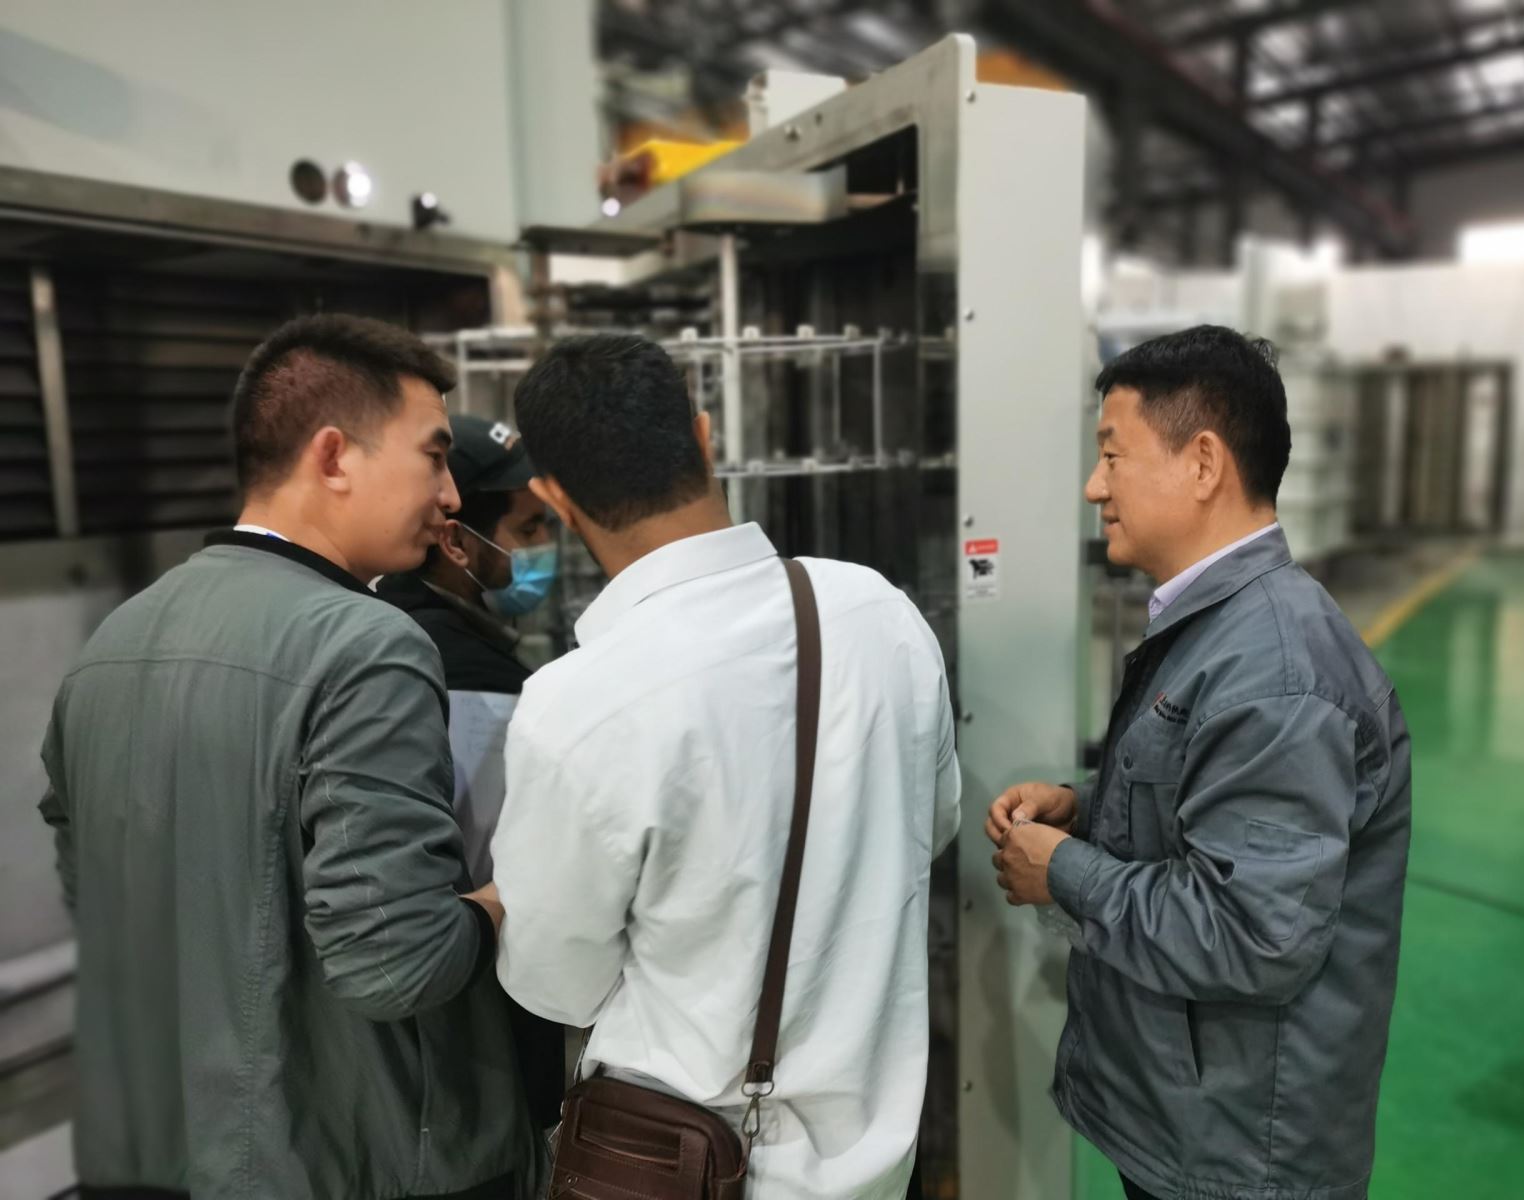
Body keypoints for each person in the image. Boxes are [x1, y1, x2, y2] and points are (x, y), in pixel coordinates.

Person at [38, 315, 535, 1199]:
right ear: (334, 456)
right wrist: (505, 900)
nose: (452, 495)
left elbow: (108, 911)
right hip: (369, 1159)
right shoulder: (367, 644)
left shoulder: (114, 644)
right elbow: (398, 965)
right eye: (433, 457)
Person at [491, 334, 961, 1199]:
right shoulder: (877, 613)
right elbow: (927, 829)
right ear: (705, 437)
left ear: (553, 497)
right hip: (872, 1168)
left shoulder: (575, 705)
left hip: (677, 1166)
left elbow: (557, 984)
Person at [989, 325, 1411, 1200]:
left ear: (1205, 464)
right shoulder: (1221, 628)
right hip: (1192, 1123)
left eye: (1113, 454)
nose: (1094, 485)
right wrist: (1086, 807)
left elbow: (1252, 934)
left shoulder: (1276, 672)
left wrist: (1063, 871)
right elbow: (1209, 797)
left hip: (1240, 1158)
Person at [376, 412, 567, 1132]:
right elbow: (508, 868)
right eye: (529, 528)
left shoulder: (385, 629)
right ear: (456, 540)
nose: (545, 549)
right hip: (480, 1032)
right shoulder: (472, 681)